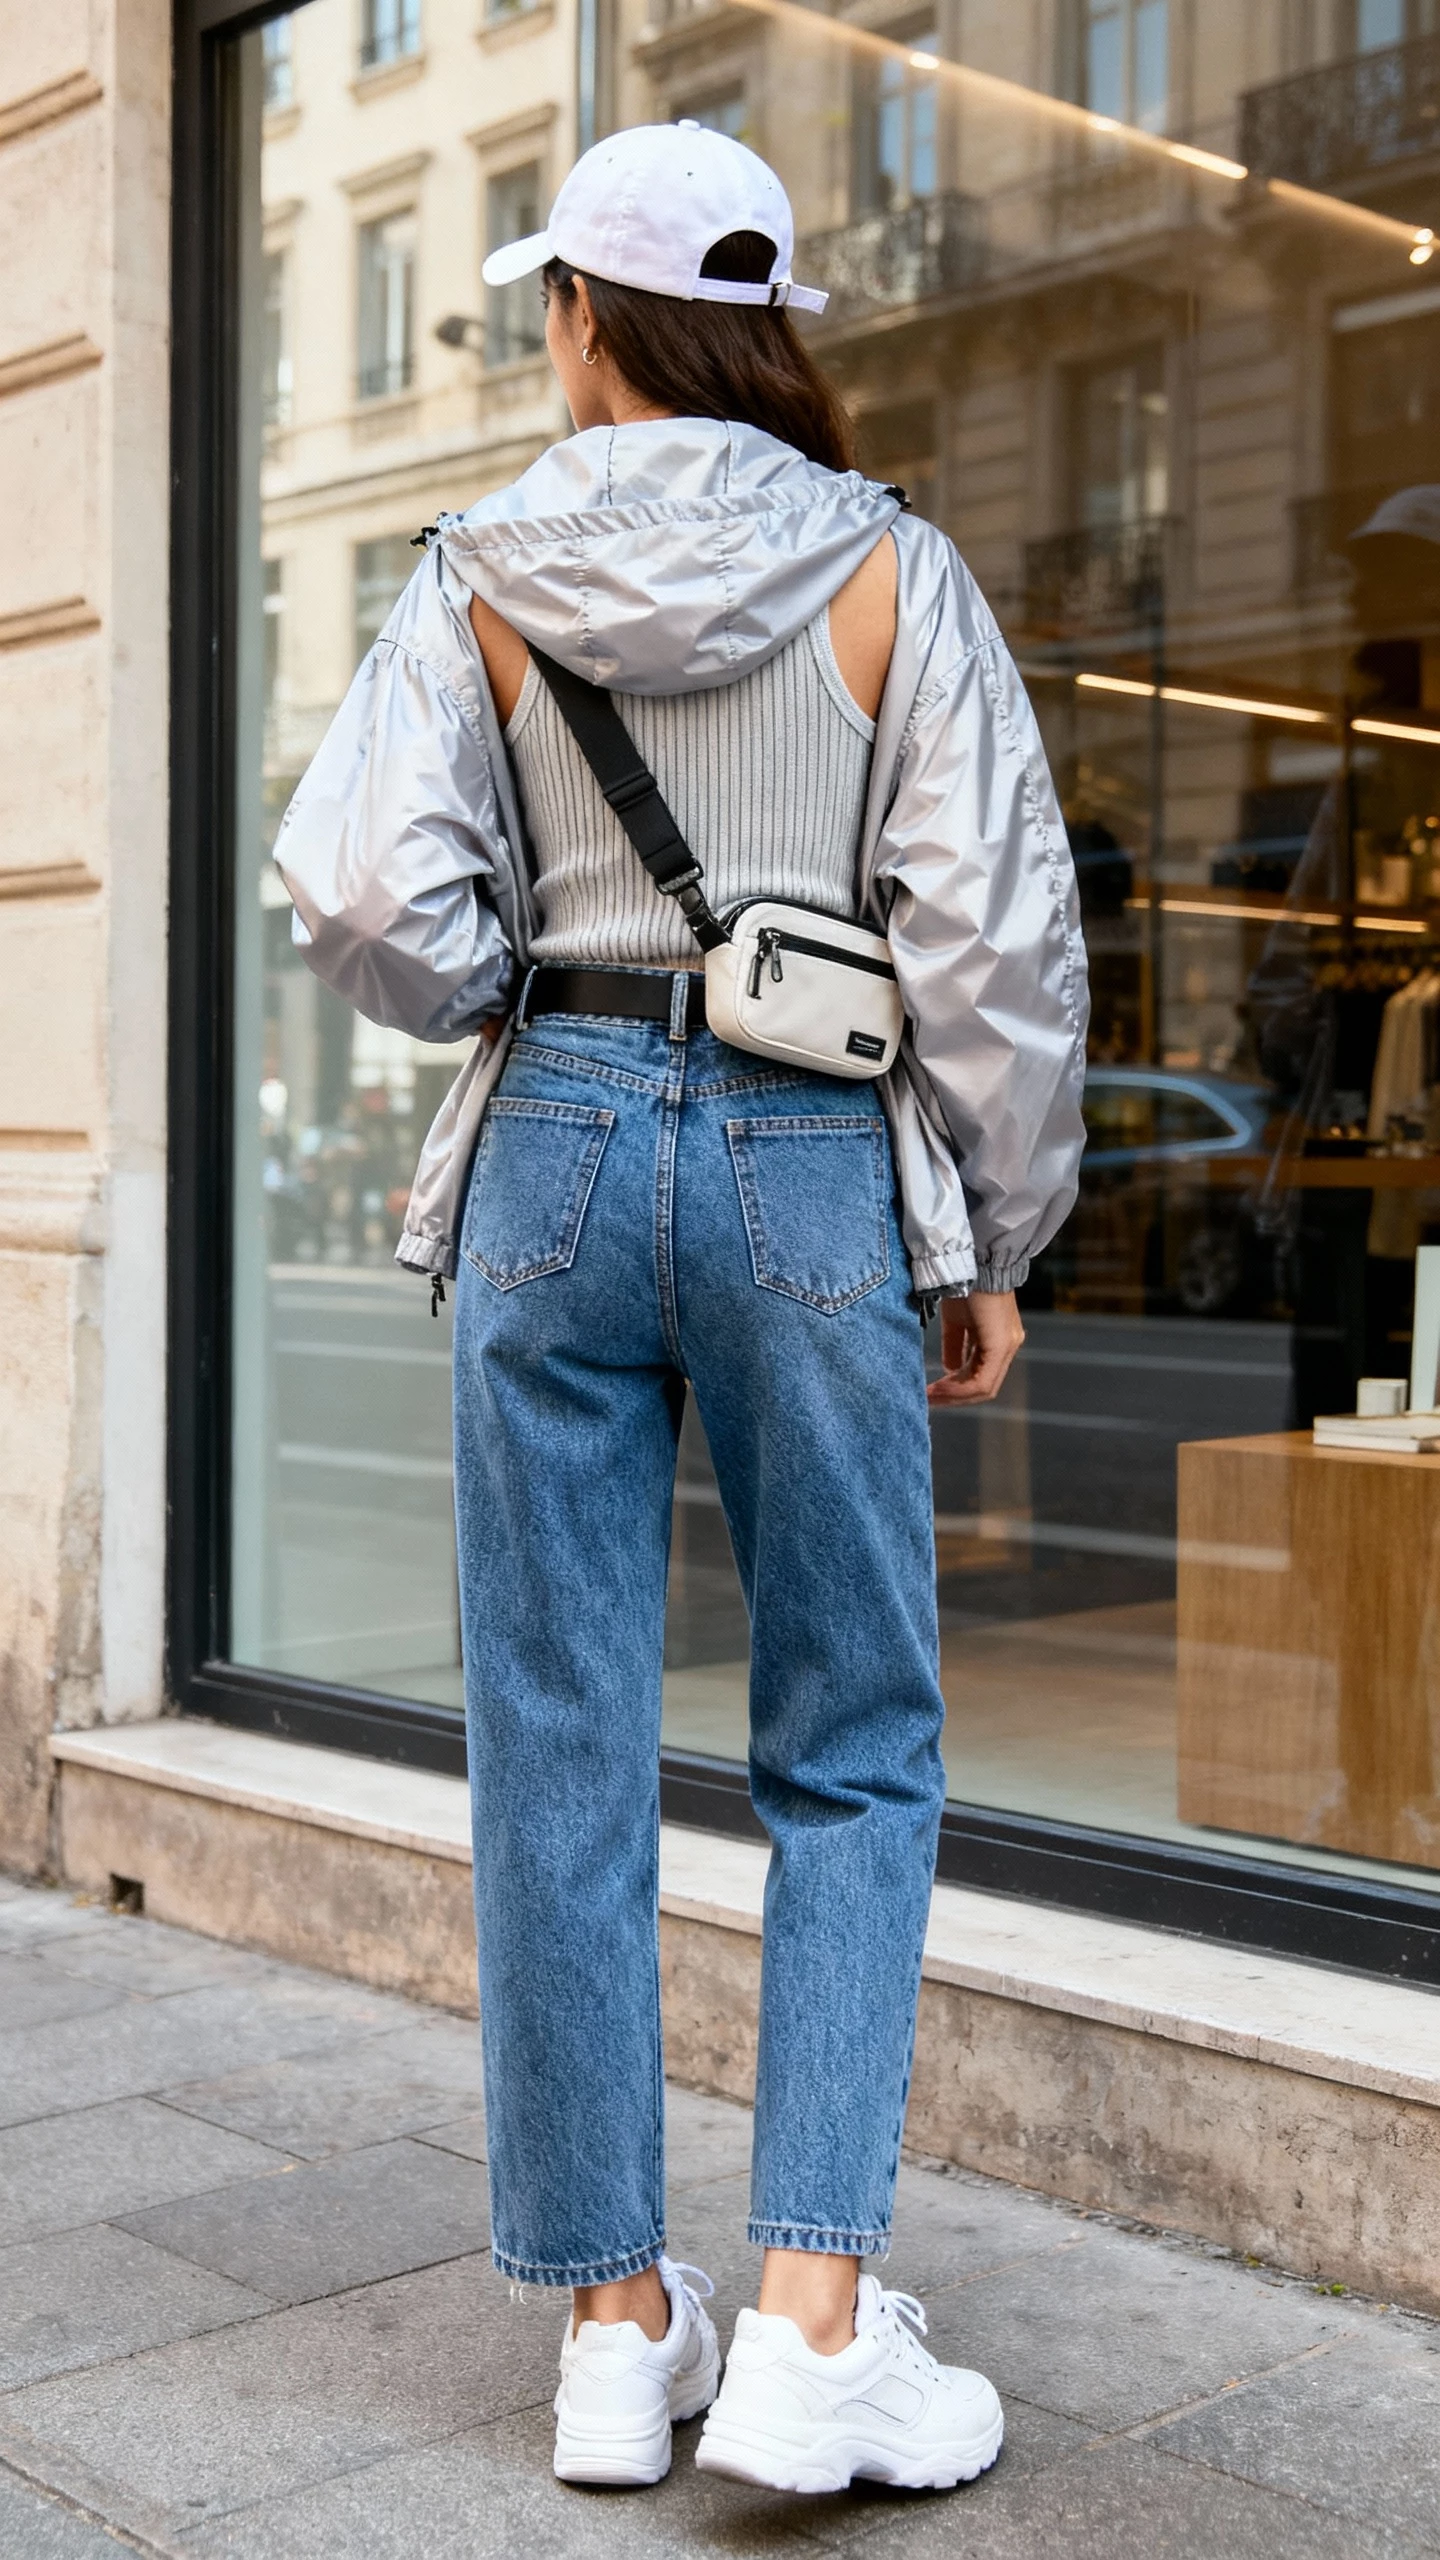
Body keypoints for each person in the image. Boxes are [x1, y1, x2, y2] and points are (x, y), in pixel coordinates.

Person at [277, 121, 1087, 2499]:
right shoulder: (893, 572)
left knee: (553, 1738)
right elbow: (997, 953)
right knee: (852, 1727)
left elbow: (358, 893)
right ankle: (819, 2311)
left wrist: (508, 970)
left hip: (552, 1144)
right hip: (811, 1162)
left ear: (583, 320)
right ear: (768, 323)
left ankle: (617, 2330)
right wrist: (1002, 1232)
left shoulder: (479, 572)